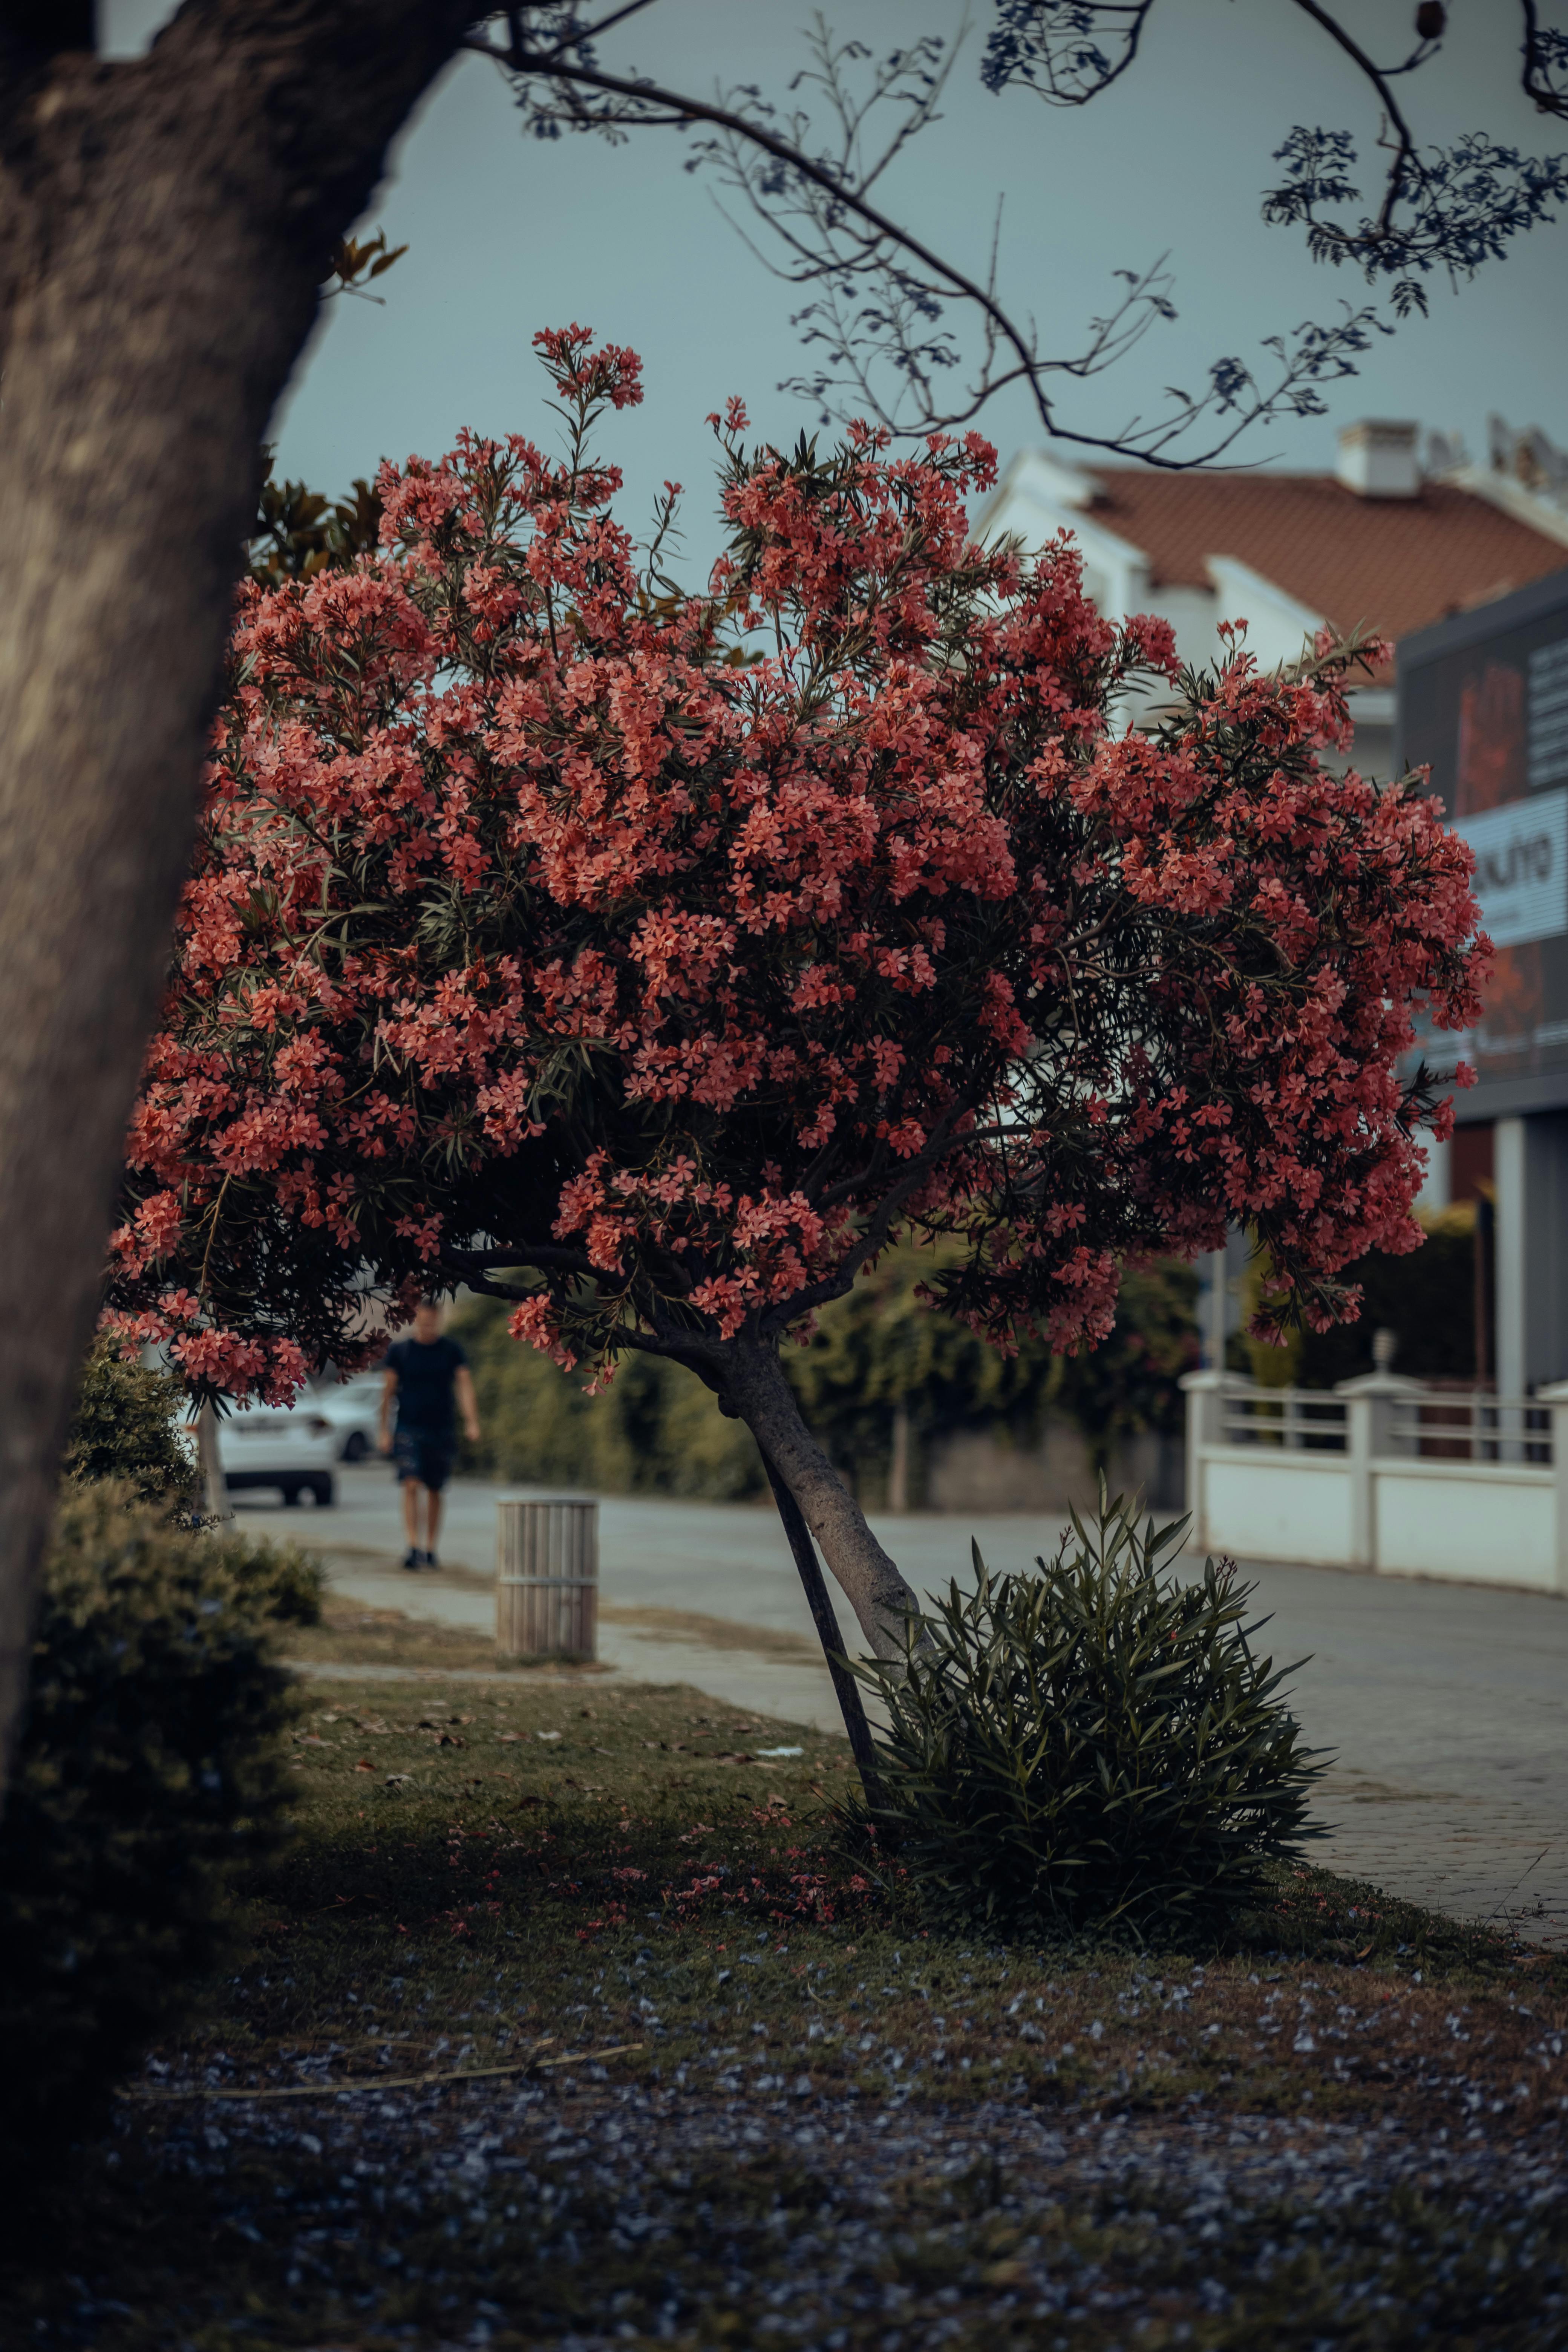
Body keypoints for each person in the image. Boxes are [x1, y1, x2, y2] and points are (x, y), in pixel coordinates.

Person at [378, 1301, 481, 1570]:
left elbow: (464, 1386)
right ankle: (412, 1546)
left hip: (441, 1427)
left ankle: (431, 1548)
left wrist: (472, 1421)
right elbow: (387, 1393)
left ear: (439, 1320)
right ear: (416, 1320)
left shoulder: (451, 1350)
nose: (428, 1325)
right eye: (423, 1321)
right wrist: (383, 1430)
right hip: (408, 1427)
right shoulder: (401, 1352)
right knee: (411, 1484)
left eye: (432, 1321)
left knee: (435, 1489)